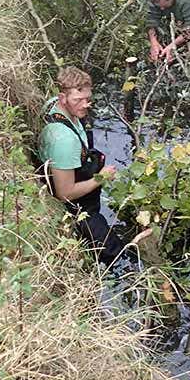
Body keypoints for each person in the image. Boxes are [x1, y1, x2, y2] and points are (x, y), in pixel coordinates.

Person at [38, 66, 148, 265]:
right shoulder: (63, 140)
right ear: (62, 98)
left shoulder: (54, 106)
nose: (85, 105)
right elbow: (64, 194)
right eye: (77, 100)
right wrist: (100, 178)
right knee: (118, 257)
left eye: (87, 99)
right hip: (77, 209)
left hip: (75, 174)